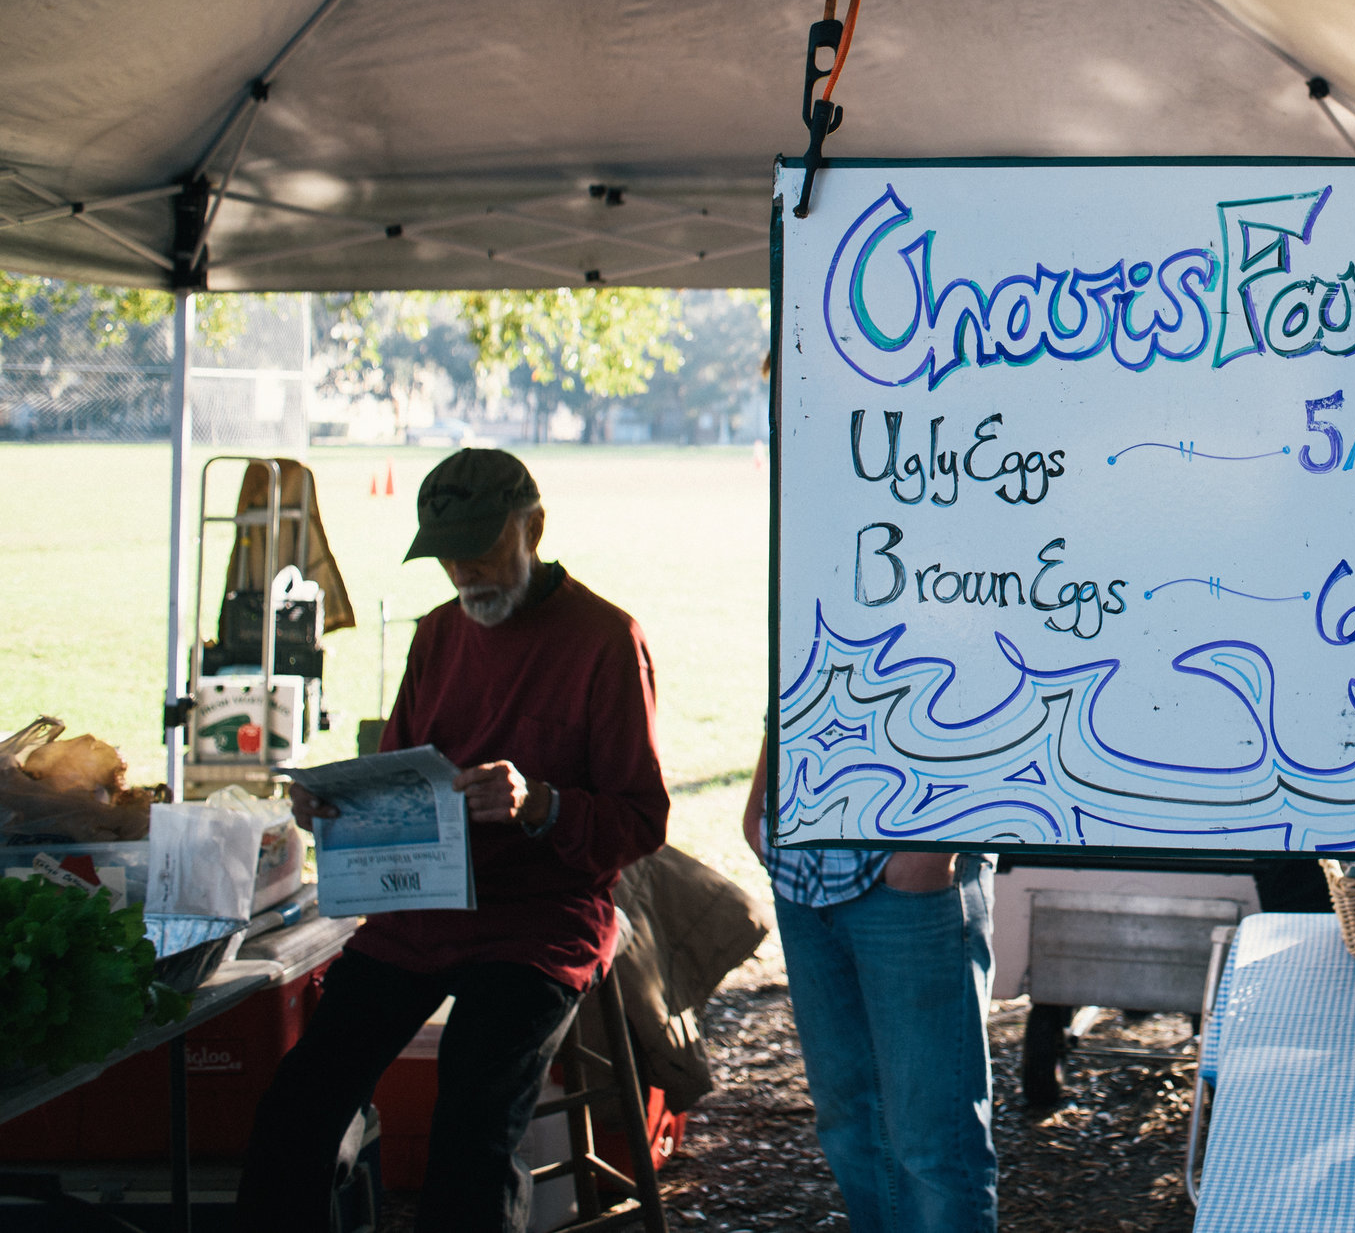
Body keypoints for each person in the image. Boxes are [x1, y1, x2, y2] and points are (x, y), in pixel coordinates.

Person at [238, 449, 670, 1233]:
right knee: (299, 1101)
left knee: (473, 1118)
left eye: (481, 547)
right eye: (447, 555)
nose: (465, 570)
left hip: (539, 921)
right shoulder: (438, 634)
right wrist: (334, 806)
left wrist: (540, 804)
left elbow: (642, 820)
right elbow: (399, 775)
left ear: (532, 527)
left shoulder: (606, 639)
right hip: (420, 909)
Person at [742, 745, 998, 1233]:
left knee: (932, 1140)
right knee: (849, 1123)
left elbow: (1000, 693)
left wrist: (929, 855)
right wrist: (761, 808)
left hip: (911, 871)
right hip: (800, 868)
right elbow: (792, 682)